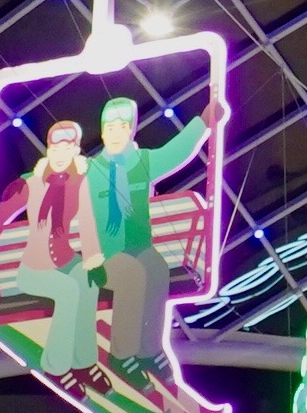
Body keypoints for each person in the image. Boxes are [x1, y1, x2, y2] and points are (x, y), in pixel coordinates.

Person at [85, 90, 218, 392]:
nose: (115, 134)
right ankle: (121, 354)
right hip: (107, 254)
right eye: (109, 127)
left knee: (156, 267)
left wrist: (203, 123)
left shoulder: (140, 162)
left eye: (122, 127)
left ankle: (148, 349)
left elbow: (176, 152)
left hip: (140, 247)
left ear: (131, 129)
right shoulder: (91, 171)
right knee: (131, 274)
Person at [0, 119, 105, 381]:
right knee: (68, 291)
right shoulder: (32, 183)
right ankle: (56, 366)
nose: (60, 156)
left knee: (86, 283)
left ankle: (84, 362)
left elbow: (87, 224)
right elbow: (0, 216)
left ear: (75, 150)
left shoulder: (80, 183)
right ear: (48, 150)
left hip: (65, 260)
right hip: (34, 269)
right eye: (55, 150)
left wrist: (93, 261)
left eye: (66, 149)